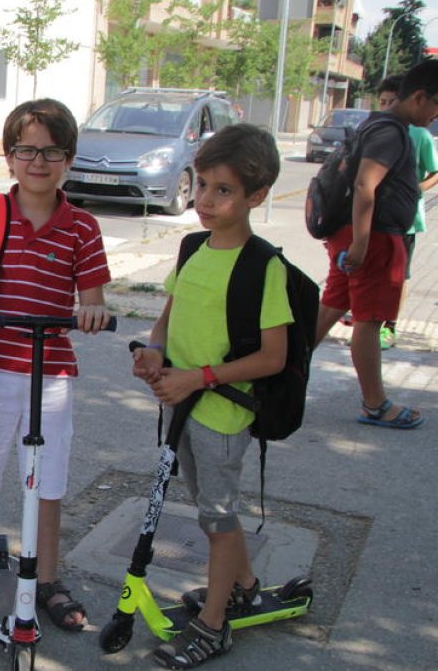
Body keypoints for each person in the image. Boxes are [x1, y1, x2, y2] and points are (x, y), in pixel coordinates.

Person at [0, 99, 111, 636]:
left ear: (69, 159)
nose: (38, 160)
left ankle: (48, 579)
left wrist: (93, 311)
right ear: (10, 157)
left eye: (52, 151)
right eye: (27, 149)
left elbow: (92, 295)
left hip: (52, 375)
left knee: (47, 484)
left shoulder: (82, 227)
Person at [131, 124, 292, 668]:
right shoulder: (193, 246)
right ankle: (243, 584)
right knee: (209, 511)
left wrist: (195, 378)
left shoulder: (262, 265)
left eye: (222, 190)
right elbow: (166, 321)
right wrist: (153, 352)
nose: (204, 200)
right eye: (201, 185)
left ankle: (215, 623)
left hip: (222, 416)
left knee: (218, 519)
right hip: (182, 403)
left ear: (257, 195)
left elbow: (273, 358)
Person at [314, 59, 438, 430]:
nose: (435, 116)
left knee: (333, 305)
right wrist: (363, 245)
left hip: (361, 236)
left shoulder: (383, 124)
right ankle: (375, 404)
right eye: (436, 105)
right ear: (419, 97)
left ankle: (279, 373)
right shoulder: (390, 131)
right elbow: (367, 186)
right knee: (368, 323)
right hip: (373, 239)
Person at [373, 75, 438, 350]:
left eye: (391, 101)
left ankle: (390, 325)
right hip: (375, 219)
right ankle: (370, 318)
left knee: (400, 276)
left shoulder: (419, 134)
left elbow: (435, 172)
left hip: (405, 222)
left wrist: (416, 190)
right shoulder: (377, 128)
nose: (386, 106)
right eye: (382, 102)